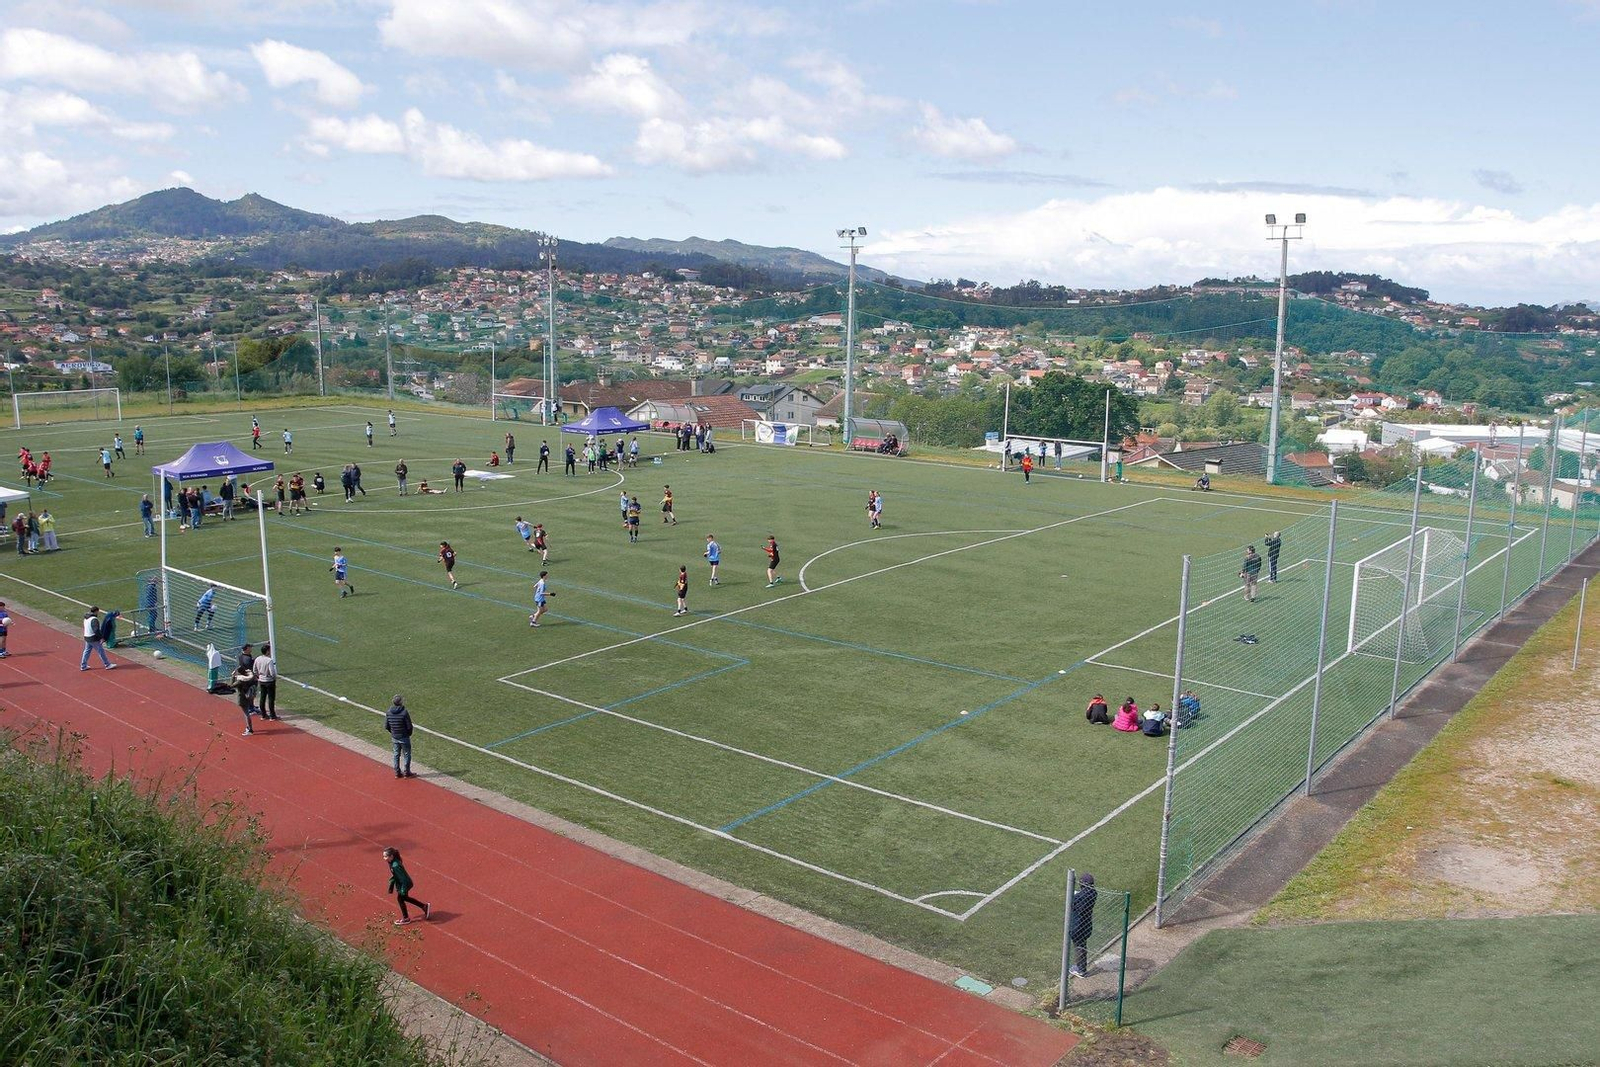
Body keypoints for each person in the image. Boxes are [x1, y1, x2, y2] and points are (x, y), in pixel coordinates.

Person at [382, 846, 431, 925]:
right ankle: (424, 906)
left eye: (385, 856)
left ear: (391, 856)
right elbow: (396, 876)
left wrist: (403, 889)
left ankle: (406, 918)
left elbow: (403, 879)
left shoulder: (395, 865)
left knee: (400, 899)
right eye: (383, 856)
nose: (384, 858)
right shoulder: (392, 862)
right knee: (404, 898)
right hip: (402, 884)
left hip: (404, 884)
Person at [1068, 873, 1097, 977]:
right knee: (1082, 945)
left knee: (1079, 946)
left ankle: (1081, 969)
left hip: (1077, 926)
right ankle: (1081, 967)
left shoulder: (1080, 897)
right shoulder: (1094, 893)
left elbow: (1072, 903)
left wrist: (1074, 895)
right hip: (1086, 925)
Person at [385, 694, 415, 778]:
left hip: (395, 737)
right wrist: (408, 734)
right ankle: (407, 772)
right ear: (400, 702)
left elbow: (386, 726)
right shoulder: (404, 712)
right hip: (404, 737)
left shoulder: (388, 712)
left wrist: (393, 732)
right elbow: (409, 726)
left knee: (396, 754)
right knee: (406, 754)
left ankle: (397, 772)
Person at [80, 607, 115, 671]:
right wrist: (101, 638)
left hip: (87, 637)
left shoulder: (86, 618)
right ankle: (107, 664)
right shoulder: (94, 619)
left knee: (87, 651)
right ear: (96, 611)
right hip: (93, 638)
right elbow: (96, 630)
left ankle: (83, 665)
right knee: (101, 651)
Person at [253, 643, 279, 720]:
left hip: (261, 680)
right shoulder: (269, 660)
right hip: (269, 681)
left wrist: (259, 676)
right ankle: (272, 715)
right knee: (271, 698)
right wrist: (274, 678)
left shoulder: (257, 659)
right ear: (267, 651)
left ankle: (263, 715)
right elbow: (272, 672)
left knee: (262, 697)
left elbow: (254, 670)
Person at [233, 659, 257, 735]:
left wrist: (233, 676)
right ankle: (249, 728)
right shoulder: (249, 679)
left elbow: (231, 685)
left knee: (246, 714)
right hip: (248, 696)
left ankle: (250, 729)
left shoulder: (240, 681)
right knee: (247, 713)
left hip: (242, 698)